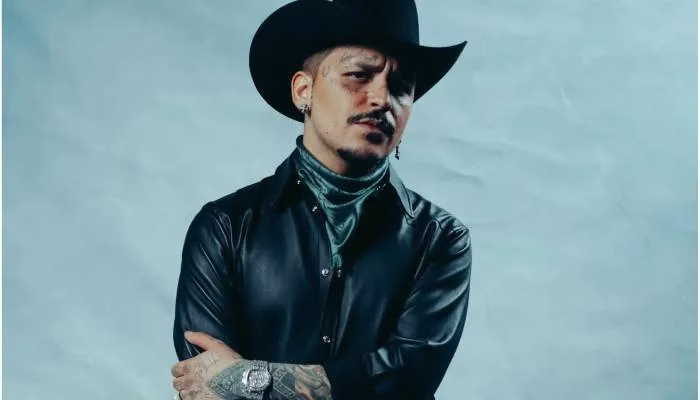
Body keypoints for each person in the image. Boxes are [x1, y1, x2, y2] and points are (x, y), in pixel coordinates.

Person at [169, 0, 472, 399]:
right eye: (359, 75)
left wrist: (250, 380)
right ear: (303, 90)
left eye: (401, 86)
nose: (382, 99)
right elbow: (206, 383)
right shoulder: (225, 227)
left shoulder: (441, 238)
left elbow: (407, 379)